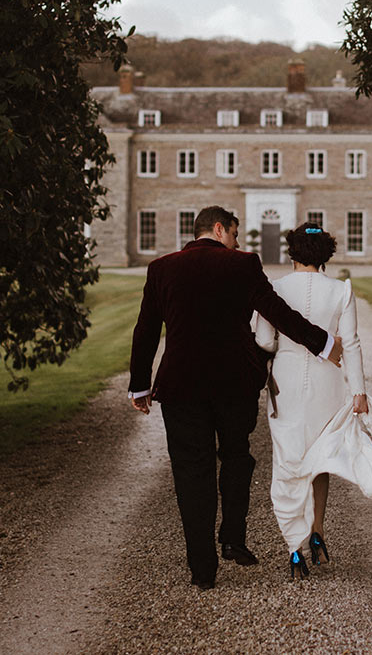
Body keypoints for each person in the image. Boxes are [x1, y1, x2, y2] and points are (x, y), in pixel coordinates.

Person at [128, 206, 344, 591]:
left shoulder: (161, 268)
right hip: (233, 384)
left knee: (191, 472)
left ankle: (202, 568)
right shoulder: (243, 265)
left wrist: (141, 386)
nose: (238, 242)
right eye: (235, 234)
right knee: (237, 457)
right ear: (218, 228)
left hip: (181, 386)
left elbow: (145, 330)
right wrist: (323, 342)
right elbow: (278, 313)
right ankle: (232, 538)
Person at [254, 222, 372, 581]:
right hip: (327, 382)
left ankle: (295, 548)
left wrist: (282, 346)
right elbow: (351, 344)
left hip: (287, 381)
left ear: (292, 252)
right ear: (325, 254)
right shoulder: (340, 290)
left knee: (289, 460)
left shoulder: (274, 289)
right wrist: (359, 392)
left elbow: (263, 340)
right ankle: (318, 531)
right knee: (321, 455)